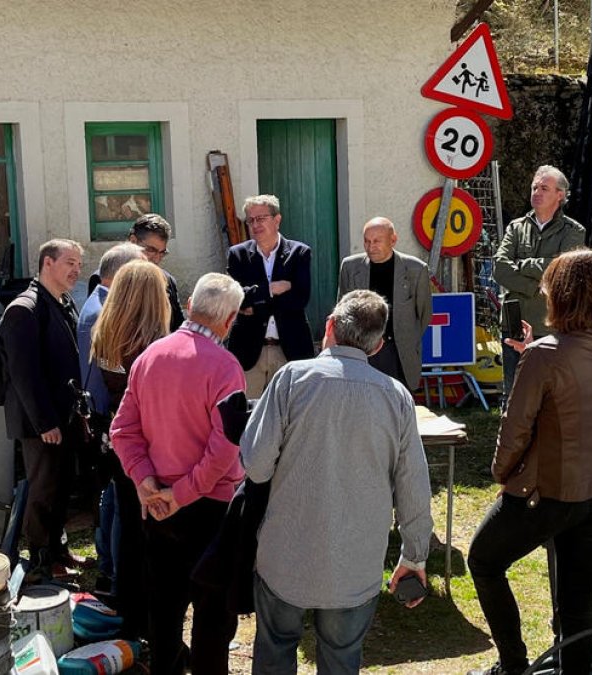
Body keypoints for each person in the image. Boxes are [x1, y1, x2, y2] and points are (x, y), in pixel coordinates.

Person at [241, 290, 433, 675]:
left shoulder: (290, 379)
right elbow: (414, 485)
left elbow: (256, 467)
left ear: (329, 326)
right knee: (342, 658)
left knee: (275, 649)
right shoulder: (396, 396)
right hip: (355, 564)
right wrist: (414, 556)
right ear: (378, 345)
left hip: (285, 556)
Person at [467, 250, 592, 675]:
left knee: (484, 561)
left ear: (561, 294)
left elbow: (516, 427)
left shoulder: (545, 355)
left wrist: (502, 474)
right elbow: (579, 380)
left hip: (551, 491)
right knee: (576, 604)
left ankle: (513, 664)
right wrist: (532, 351)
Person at [109, 273, 246, 675]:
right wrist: (177, 492)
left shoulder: (149, 356)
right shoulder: (225, 367)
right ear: (231, 318)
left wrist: (146, 481)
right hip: (207, 507)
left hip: (160, 504)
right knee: (213, 615)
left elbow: (122, 430)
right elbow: (225, 449)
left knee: (164, 608)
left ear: (189, 305)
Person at [89, 259, 171, 639]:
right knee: (151, 542)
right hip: (149, 450)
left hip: (120, 443)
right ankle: (151, 626)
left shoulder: (105, 332)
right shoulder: (150, 346)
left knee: (128, 534)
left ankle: (131, 616)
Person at [0, 238, 85, 581]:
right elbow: (24, 373)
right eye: (69, 262)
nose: (76, 270)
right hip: (40, 422)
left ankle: (58, 547)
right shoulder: (24, 308)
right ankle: (41, 559)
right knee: (43, 488)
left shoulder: (62, 302)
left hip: (63, 415)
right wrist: (46, 421)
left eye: (79, 263)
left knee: (62, 485)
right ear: (47, 263)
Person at [75, 242, 144, 594]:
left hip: (103, 416)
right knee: (118, 501)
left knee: (112, 498)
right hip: (109, 417)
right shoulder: (105, 309)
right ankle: (115, 573)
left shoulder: (97, 302)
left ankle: (108, 566)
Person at [492, 165, 586, 408]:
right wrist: (536, 286)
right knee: (514, 391)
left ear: (560, 195)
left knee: (548, 393)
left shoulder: (573, 231)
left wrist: (522, 264)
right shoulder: (516, 227)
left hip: (550, 322)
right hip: (515, 320)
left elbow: (563, 269)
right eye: (535, 187)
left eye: (544, 188)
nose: (536, 192)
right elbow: (500, 269)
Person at [226, 195, 316, 398]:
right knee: (245, 416)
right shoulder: (238, 255)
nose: (255, 225)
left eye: (261, 218)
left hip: (289, 349)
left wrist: (253, 303)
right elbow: (235, 299)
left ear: (277, 220)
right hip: (248, 350)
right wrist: (271, 290)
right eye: (251, 220)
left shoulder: (299, 253)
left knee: (291, 414)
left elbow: (300, 299)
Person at [337, 217, 433, 389]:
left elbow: (424, 314)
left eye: (376, 241)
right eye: (366, 241)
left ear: (393, 240)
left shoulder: (416, 270)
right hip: (361, 351)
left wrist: (407, 338)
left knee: (399, 406)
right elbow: (342, 310)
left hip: (398, 352)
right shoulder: (350, 267)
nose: (370, 247)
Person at [88, 213, 186, 331]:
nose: (156, 259)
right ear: (133, 241)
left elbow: (178, 328)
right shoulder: (105, 278)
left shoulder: (167, 281)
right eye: (151, 250)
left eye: (162, 253)